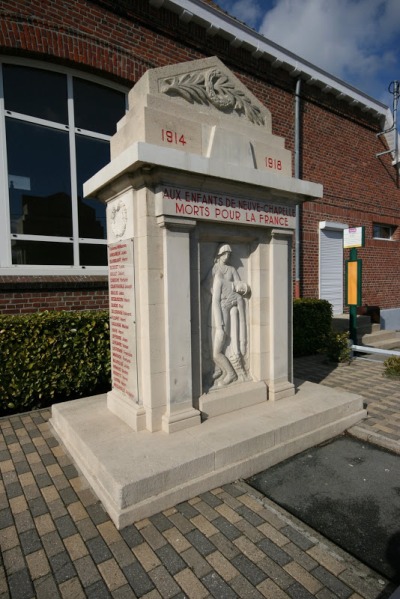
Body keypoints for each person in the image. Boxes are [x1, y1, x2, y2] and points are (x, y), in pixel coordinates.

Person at [210, 244, 250, 387]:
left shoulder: (231, 270)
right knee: (215, 341)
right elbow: (213, 297)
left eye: (229, 254)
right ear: (220, 254)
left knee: (221, 342)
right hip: (218, 308)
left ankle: (230, 372)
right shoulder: (216, 271)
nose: (227, 256)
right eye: (225, 254)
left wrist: (238, 294)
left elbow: (239, 284)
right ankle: (219, 368)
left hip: (228, 308)